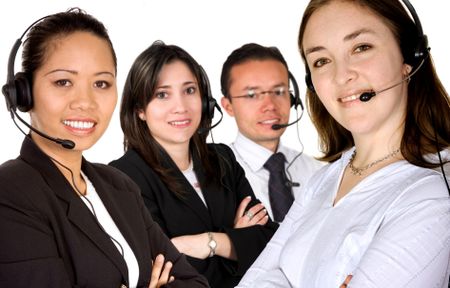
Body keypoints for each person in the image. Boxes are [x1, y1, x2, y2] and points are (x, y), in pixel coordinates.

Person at [237, 0, 450, 287]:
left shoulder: (433, 193)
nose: (341, 76)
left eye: (361, 48)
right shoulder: (322, 180)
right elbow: (256, 280)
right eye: (321, 61)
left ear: (409, 55)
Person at [0, 9, 208, 288]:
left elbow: (195, 283)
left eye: (101, 83)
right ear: (23, 93)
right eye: (63, 82)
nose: (85, 102)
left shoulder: (119, 186)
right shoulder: (10, 192)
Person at [109, 41, 278, 288]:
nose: (181, 107)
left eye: (189, 91)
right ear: (140, 110)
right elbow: (167, 274)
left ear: (205, 100)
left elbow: (270, 242)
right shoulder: (123, 176)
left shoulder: (223, 159)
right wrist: (237, 241)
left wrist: (206, 242)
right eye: (162, 94)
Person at [220, 43, 322, 223]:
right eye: (252, 95)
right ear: (228, 106)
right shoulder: (214, 176)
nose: (270, 106)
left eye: (279, 91)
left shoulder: (318, 173)